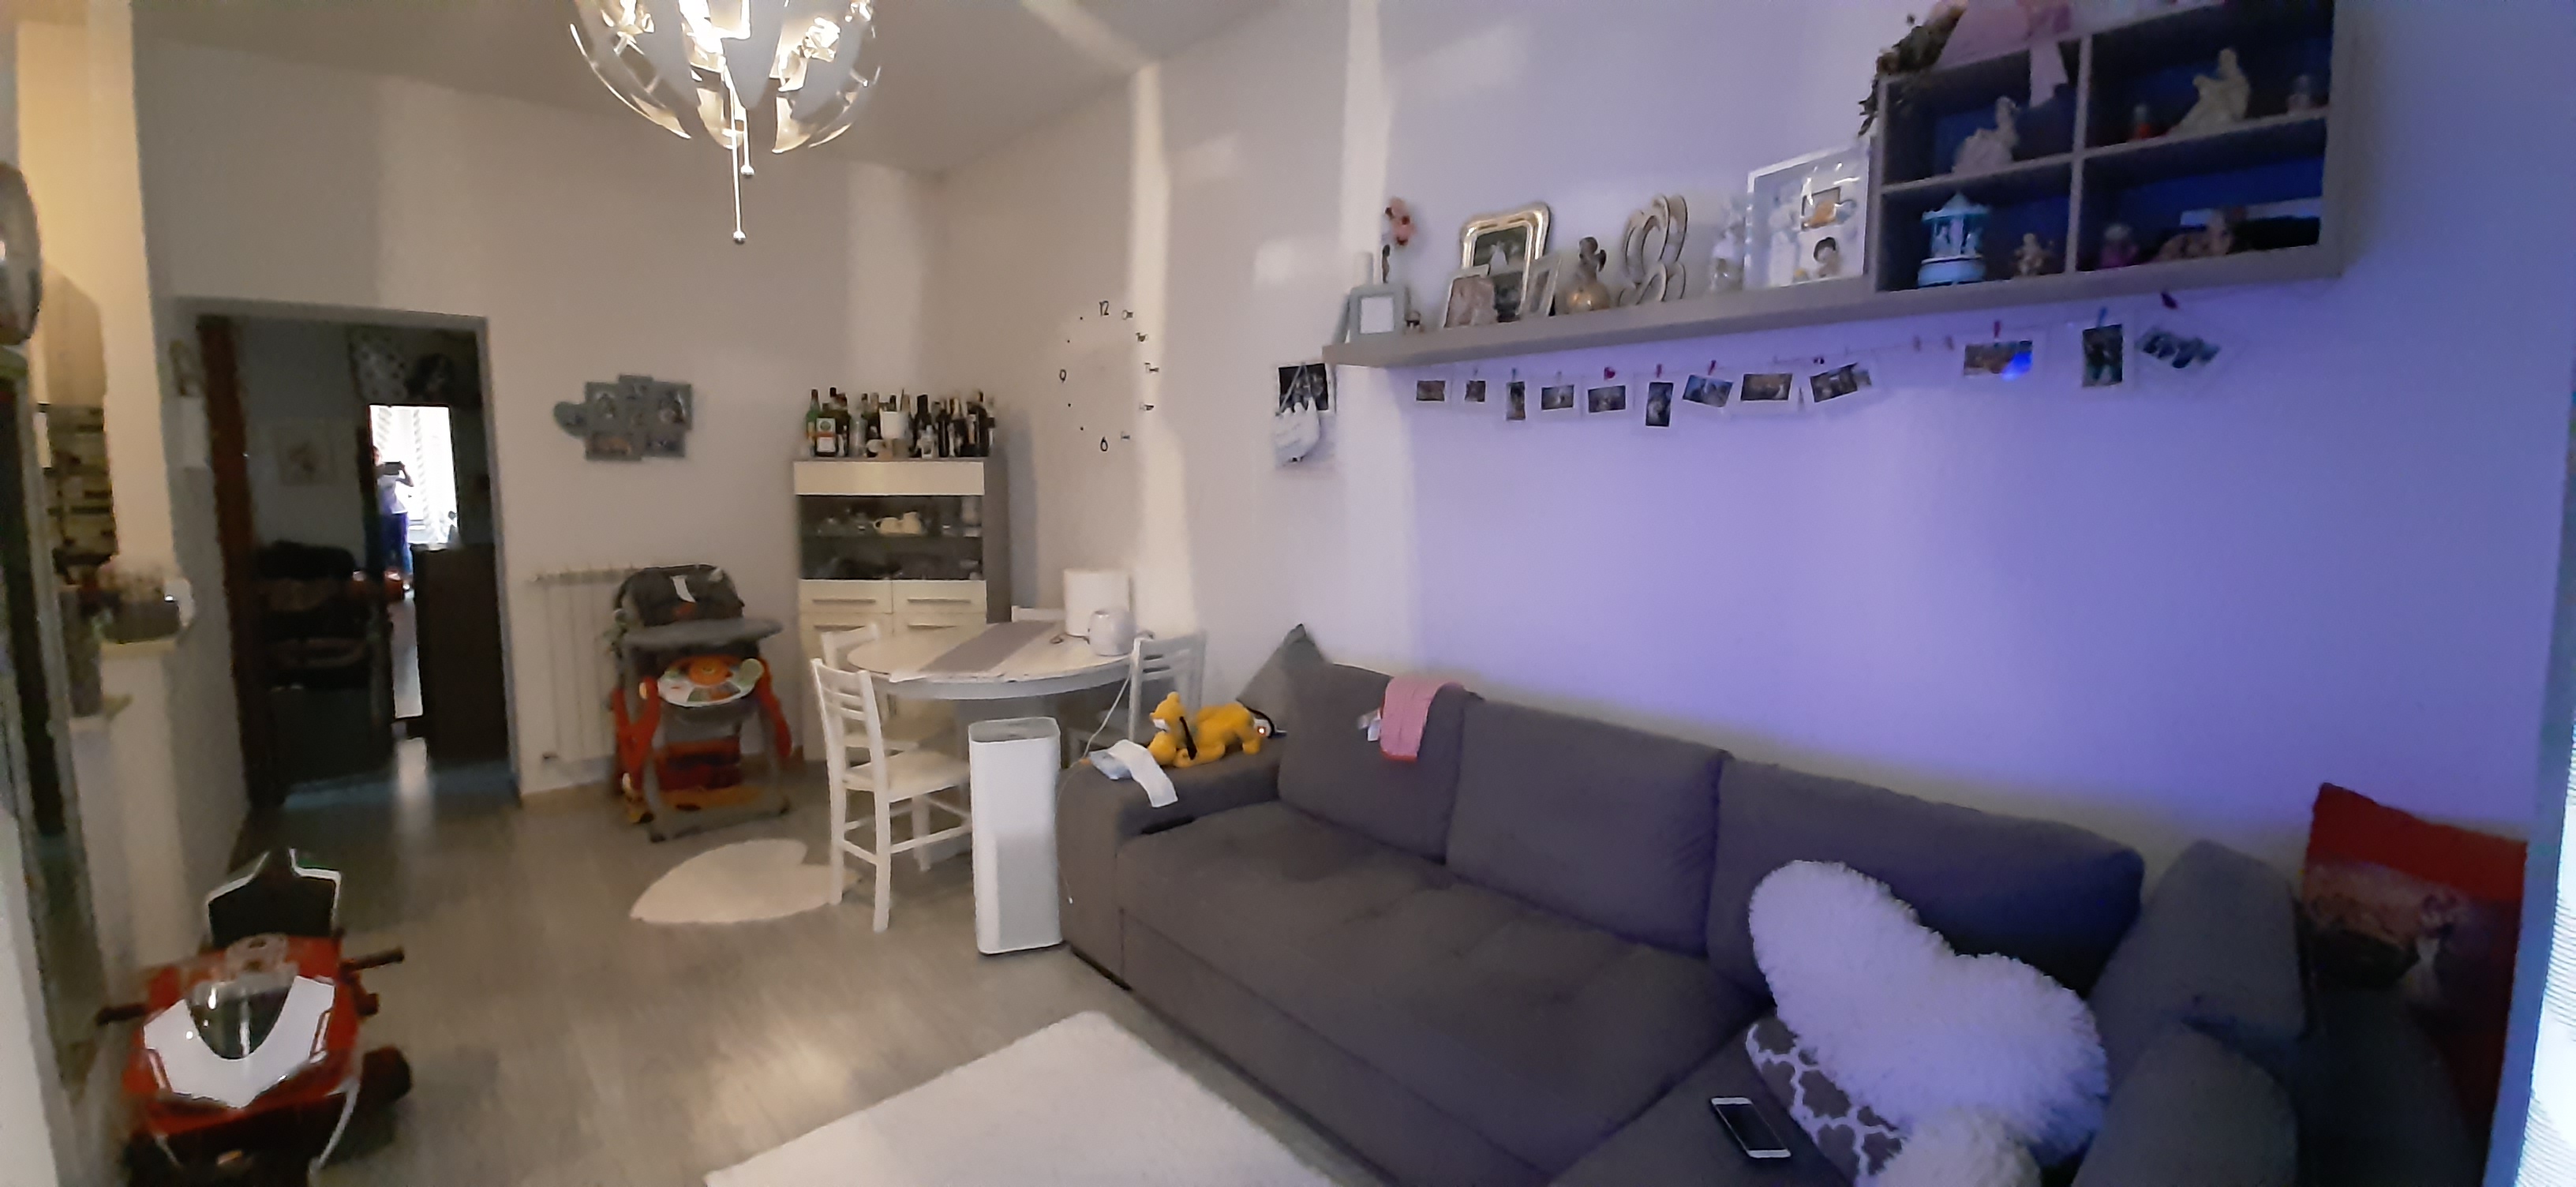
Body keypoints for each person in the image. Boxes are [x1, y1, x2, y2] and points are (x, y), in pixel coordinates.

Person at [376, 454, 414, 582]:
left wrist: (403, 469)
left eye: (377, 456)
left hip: (399, 512)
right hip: (382, 514)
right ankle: (389, 578)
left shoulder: (390, 473)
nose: (375, 459)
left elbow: (410, 483)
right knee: (385, 547)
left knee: (402, 546)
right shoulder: (371, 475)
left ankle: (407, 577)